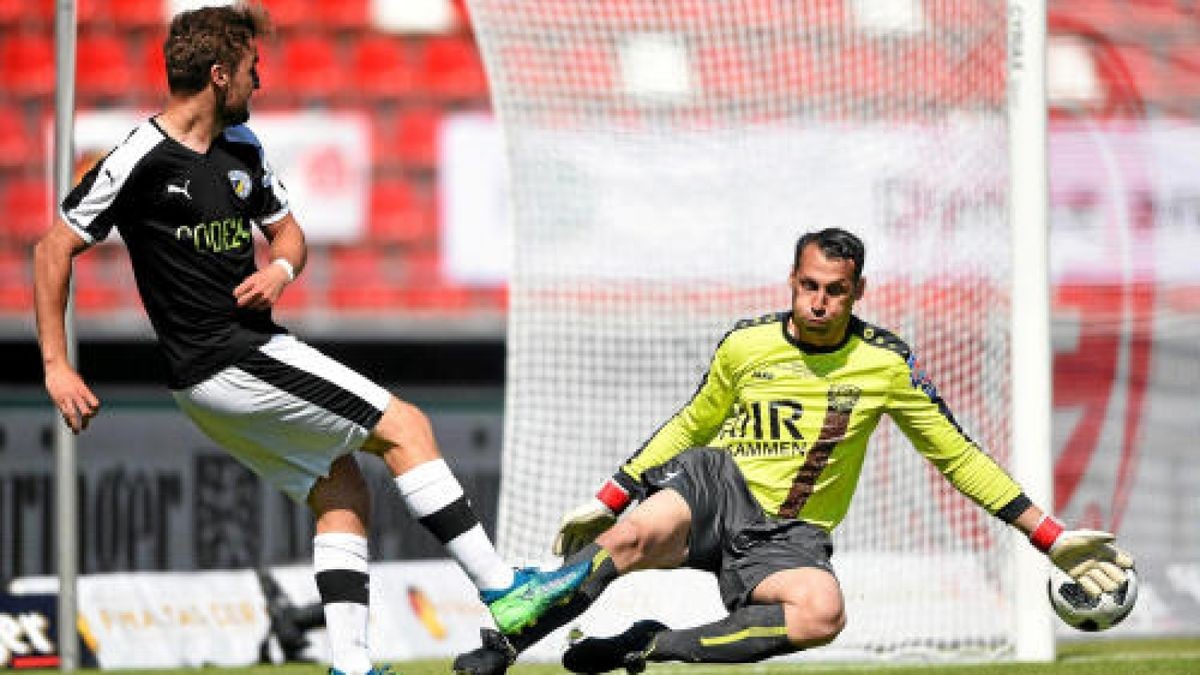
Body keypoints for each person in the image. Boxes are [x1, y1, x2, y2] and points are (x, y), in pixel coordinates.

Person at [32, 5, 587, 675]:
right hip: (231, 358)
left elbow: (289, 233)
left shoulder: (244, 149)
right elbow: (52, 249)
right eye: (249, 70)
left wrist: (280, 269)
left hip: (223, 368)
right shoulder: (138, 158)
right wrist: (57, 365)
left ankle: (351, 665)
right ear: (217, 75)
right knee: (406, 426)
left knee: (340, 489)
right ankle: (506, 593)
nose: (257, 83)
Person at [452, 227, 1136, 674]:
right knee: (634, 535)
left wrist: (1049, 536)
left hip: (792, 533)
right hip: (718, 486)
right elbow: (691, 423)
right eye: (808, 285)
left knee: (822, 613)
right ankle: (504, 646)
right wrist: (610, 496)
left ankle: (650, 644)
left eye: (835, 290)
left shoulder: (886, 366)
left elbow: (957, 456)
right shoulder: (746, 344)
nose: (818, 302)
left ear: (858, 292)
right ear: (791, 279)